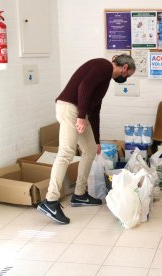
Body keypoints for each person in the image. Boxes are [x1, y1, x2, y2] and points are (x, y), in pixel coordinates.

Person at [37, 54, 136, 224]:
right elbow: (84, 87)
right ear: (124, 68)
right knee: (66, 152)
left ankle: (79, 194)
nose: (125, 79)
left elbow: (95, 111)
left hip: (78, 110)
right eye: (128, 75)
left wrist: (97, 141)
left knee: (90, 150)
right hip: (69, 108)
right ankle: (50, 201)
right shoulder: (104, 66)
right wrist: (81, 116)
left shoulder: (105, 78)